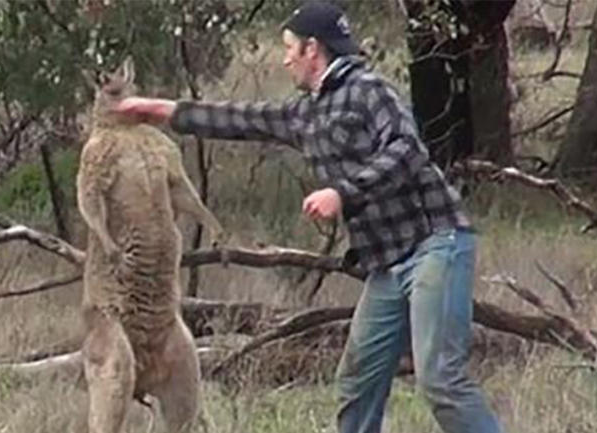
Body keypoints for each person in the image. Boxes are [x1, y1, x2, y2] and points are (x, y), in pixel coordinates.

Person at [112, 2, 504, 432]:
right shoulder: (307, 113)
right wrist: (163, 111)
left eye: (289, 48)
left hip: (436, 244)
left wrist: (342, 191)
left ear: (312, 49)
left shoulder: (369, 90)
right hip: (387, 264)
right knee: (357, 383)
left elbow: (405, 150)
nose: (284, 59)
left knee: (441, 380)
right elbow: (242, 118)